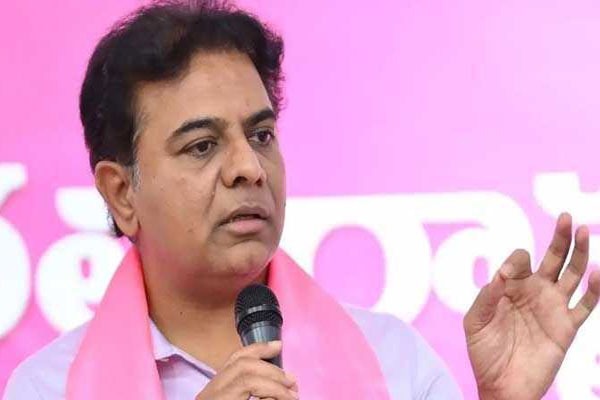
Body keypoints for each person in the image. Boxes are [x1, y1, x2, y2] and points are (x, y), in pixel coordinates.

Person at [4, 1, 599, 399]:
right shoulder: (46, 389)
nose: (248, 168)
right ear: (121, 192)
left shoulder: (394, 363)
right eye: (203, 145)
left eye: (261, 135)